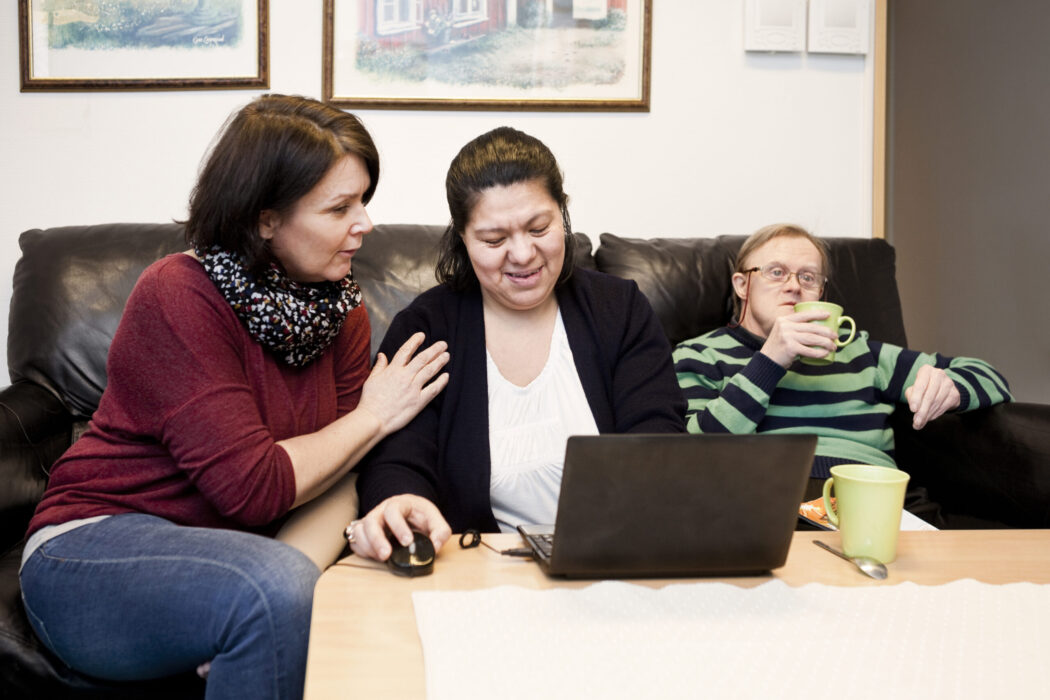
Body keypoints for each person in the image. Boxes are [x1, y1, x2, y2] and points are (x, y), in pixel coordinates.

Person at [18, 94, 449, 700]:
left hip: (235, 559)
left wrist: (272, 597)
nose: (365, 225)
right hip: (90, 548)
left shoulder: (339, 313)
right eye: (339, 207)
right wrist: (373, 417)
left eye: (365, 202)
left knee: (280, 593)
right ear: (265, 218)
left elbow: (342, 477)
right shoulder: (178, 295)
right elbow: (251, 488)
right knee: (269, 591)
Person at [348, 127, 685, 561]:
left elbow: (659, 437)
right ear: (463, 239)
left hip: (617, 558)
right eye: (494, 239)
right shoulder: (427, 328)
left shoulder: (618, 310)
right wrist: (400, 501)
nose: (523, 254)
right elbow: (397, 460)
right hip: (476, 570)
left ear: (562, 216)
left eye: (539, 227)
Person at [672, 223, 1011, 500]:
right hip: (770, 499)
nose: (793, 287)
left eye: (808, 277)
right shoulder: (699, 355)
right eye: (776, 272)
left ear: (820, 292)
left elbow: (988, 375)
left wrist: (951, 386)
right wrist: (771, 359)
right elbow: (691, 455)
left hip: (877, 497)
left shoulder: (859, 351)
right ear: (742, 285)